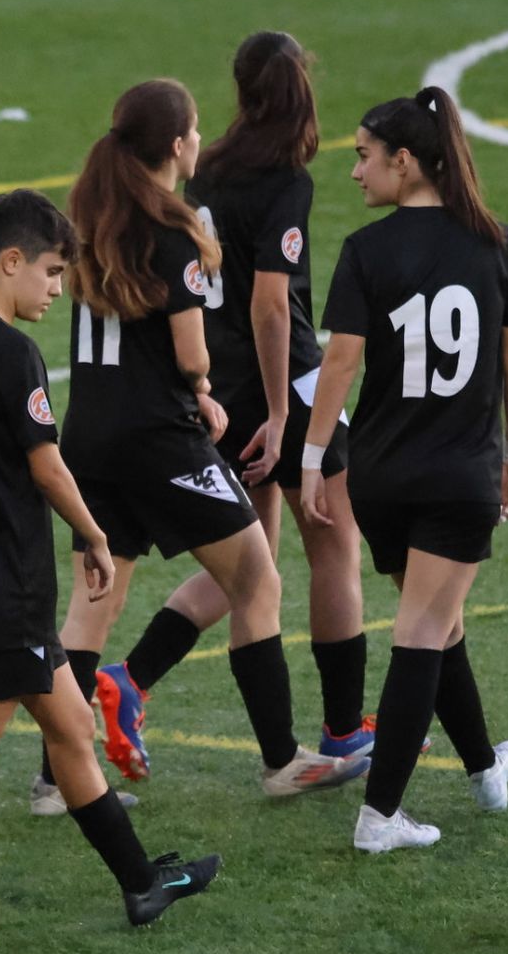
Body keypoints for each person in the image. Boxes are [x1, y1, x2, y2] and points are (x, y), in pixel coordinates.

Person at [0, 190, 219, 954]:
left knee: (72, 730)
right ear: (11, 262)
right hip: (6, 588)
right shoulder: (7, 350)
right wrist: (94, 532)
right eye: (53, 271)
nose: (60, 288)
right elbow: (45, 461)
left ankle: (140, 883)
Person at [37, 78, 366, 803]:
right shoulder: (174, 231)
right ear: (180, 143)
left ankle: (56, 778)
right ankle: (283, 759)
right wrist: (206, 398)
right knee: (256, 577)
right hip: (158, 440)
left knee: (92, 603)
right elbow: (191, 353)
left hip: (89, 435)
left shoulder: (92, 223)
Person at [301, 87, 508, 854]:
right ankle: (381, 814)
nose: (356, 172)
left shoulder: (367, 250)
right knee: (424, 628)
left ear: (406, 161)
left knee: (441, 621)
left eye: (363, 157)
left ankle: (481, 766)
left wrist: (312, 457)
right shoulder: (497, 242)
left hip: (380, 475)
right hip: (456, 473)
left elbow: (340, 361)